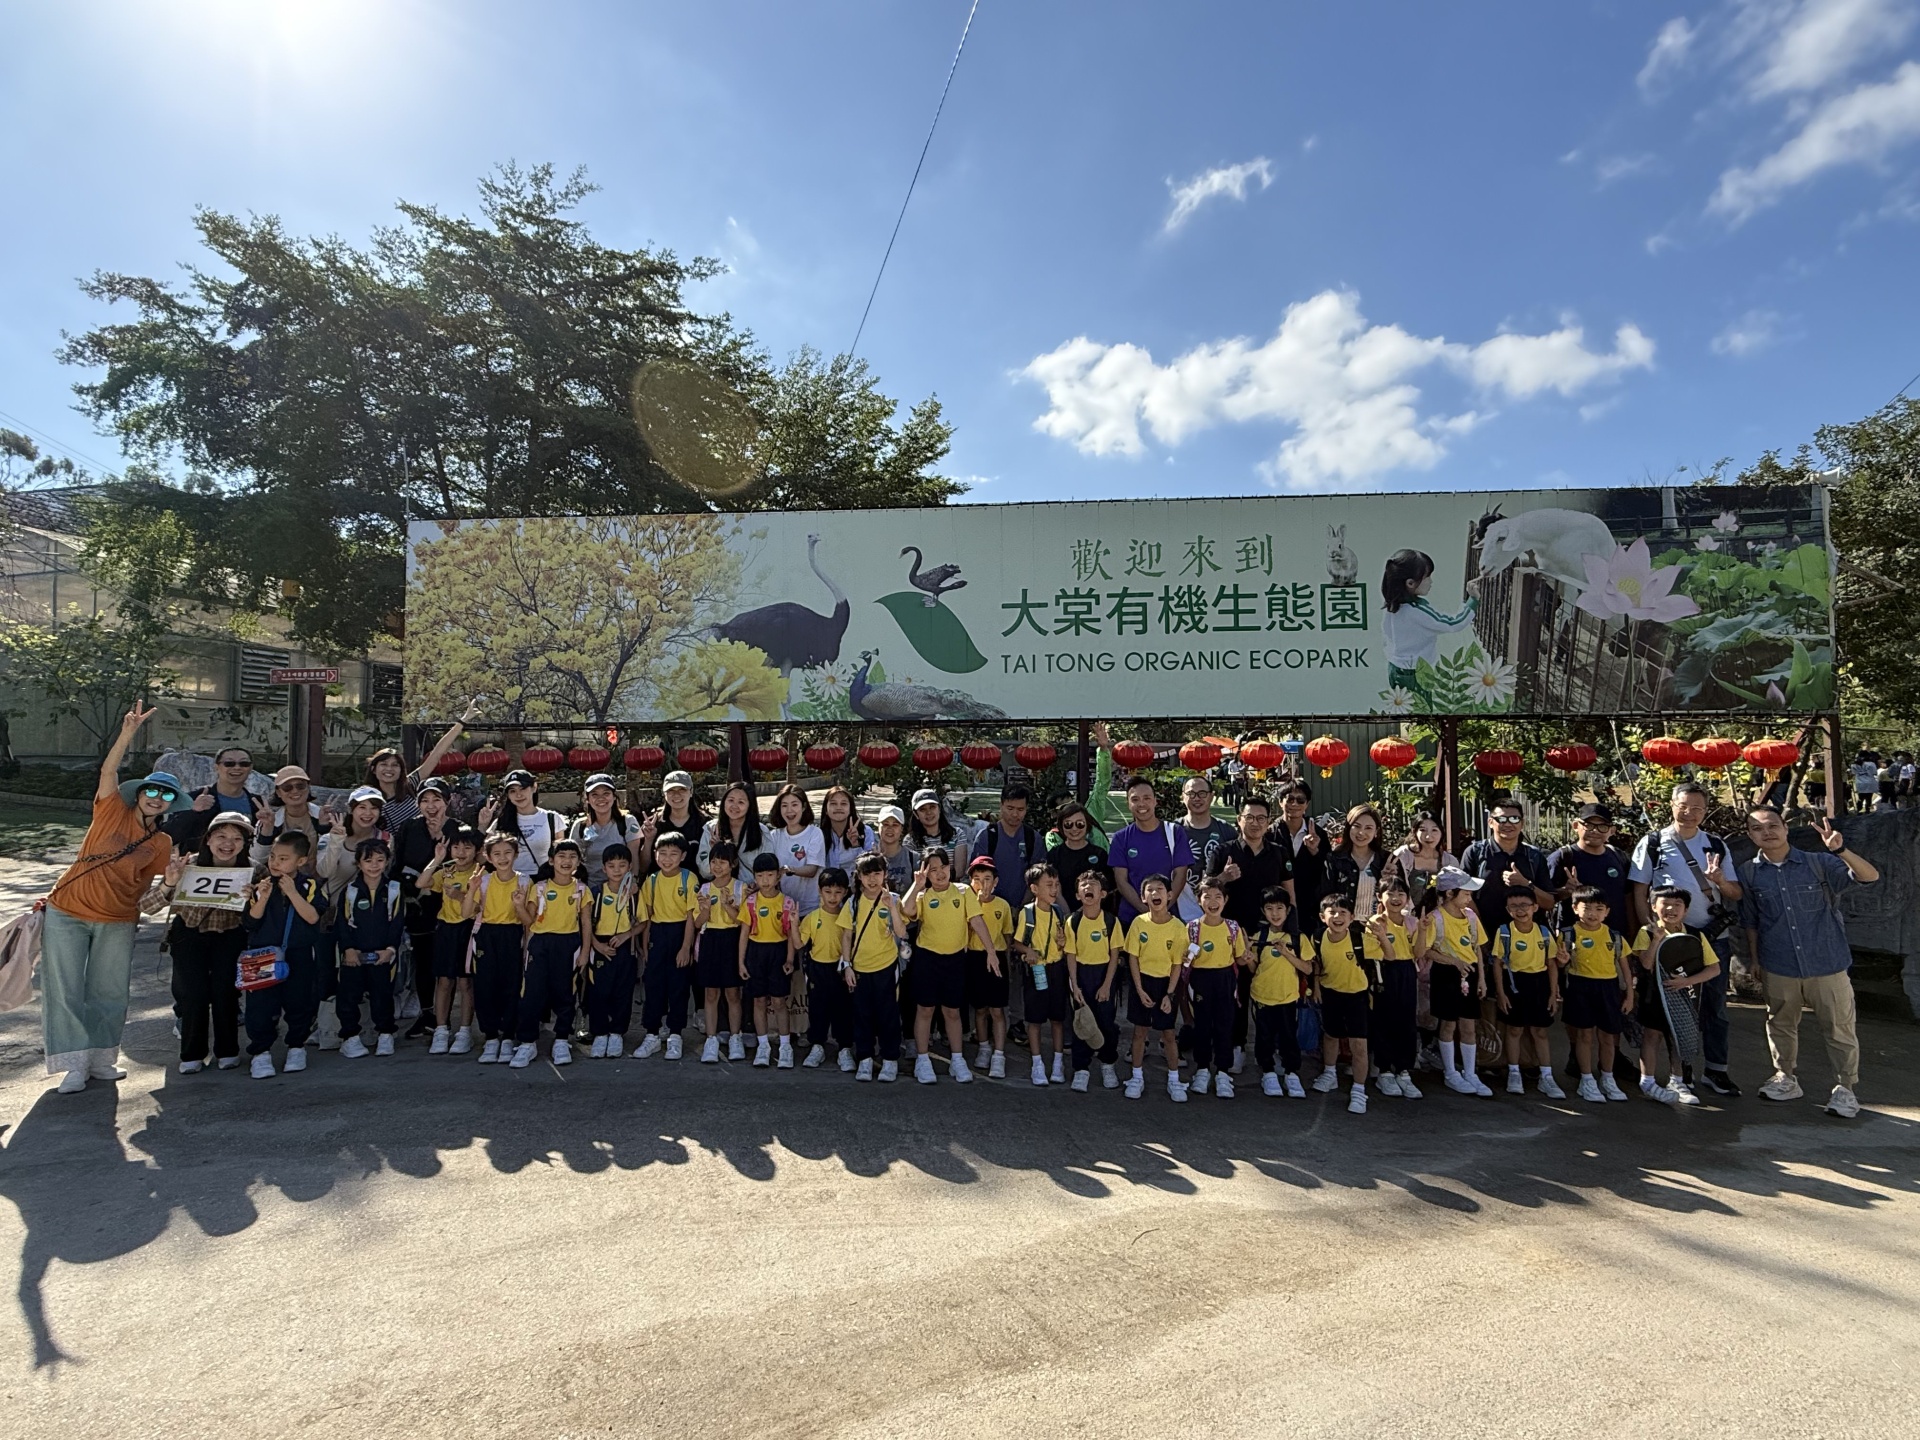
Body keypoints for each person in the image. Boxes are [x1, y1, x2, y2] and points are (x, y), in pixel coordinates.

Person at [40, 706, 182, 1092]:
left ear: (172, 803)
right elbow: (107, 772)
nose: (157, 797)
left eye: (166, 794)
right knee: (66, 989)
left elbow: (150, 897)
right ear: (140, 793)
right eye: (152, 790)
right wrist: (127, 734)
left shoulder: (162, 842)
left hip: (118, 919)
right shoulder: (112, 810)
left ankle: (102, 1059)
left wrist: (170, 884)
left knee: (110, 990)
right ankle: (73, 1064)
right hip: (67, 911)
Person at [1738, 806, 1879, 1118]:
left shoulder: (1819, 862)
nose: (1767, 832)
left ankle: (1845, 1089)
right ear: (1749, 835)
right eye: (1757, 828)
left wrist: (1840, 850)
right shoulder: (1749, 872)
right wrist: (1755, 960)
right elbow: (1751, 921)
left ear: (1786, 828)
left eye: (1773, 825)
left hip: (1827, 962)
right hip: (1779, 963)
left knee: (1839, 1029)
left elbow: (1870, 876)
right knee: (1780, 1024)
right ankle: (1785, 1078)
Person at [1629, 782, 1744, 1097]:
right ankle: (1681, 1071)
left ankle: (1716, 1070)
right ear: (1671, 805)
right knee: (1671, 1006)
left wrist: (1719, 880)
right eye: (1683, 806)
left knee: (1714, 1006)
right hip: (1667, 942)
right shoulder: (1654, 842)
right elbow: (1639, 890)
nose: (1689, 813)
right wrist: (1650, 930)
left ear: (1706, 811)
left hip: (1710, 936)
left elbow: (1735, 892)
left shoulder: (1715, 845)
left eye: (1697, 808)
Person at [145, 812, 255, 1073]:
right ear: (208, 839)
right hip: (189, 935)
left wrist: (254, 899)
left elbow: (260, 915)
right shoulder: (187, 865)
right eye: (221, 836)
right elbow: (147, 906)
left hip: (230, 936)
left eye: (236, 838)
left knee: (226, 993)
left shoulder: (254, 870)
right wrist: (169, 883)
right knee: (193, 994)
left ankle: (228, 1050)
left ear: (244, 843)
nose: (228, 844)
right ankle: (192, 1054)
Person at [901, 847, 995, 1085]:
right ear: (925, 873)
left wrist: (991, 951)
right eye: (933, 870)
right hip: (927, 959)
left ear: (949, 867)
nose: (940, 873)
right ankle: (923, 1060)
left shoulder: (963, 891)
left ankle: (957, 1059)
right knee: (925, 1010)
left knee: (952, 1011)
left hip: (955, 960)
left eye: (943, 867)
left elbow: (976, 920)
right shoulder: (923, 895)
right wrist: (917, 886)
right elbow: (906, 910)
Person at [242, 831, 325, 1079]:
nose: (275, 863)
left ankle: (296, 1046)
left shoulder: (309, 885)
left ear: (301, 861)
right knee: (260, 1005)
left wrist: (292, 893)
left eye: (283, 858)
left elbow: (313, 917)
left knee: (299, 1001)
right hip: (262, 954)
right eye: (273, 857)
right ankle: (260, 1052)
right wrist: (262, 898)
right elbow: (250, 922)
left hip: (297, 953)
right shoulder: (261, 885)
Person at [1631, 885, 1719, 1106]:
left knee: (1678, 1036)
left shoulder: (1696, 935)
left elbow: (1714, 968)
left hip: (1685, 996)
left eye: (1677, 904)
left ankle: (1677, 1081)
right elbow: (1646, 963)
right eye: (1665, 904)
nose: (1671, 909)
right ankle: (1648, 1081)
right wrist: (1656, 939)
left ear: (1686, 910)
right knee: (1652, 1036)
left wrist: (1686, 982)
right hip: (1653, 994)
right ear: (1653, 907)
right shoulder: (1646, 932)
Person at [510, 838, 591, 1069]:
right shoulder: (539, 888)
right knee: (532, 993)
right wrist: (519, 905)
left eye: (572, 857)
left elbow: (586, 923)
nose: (567, 861)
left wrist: (585, 952)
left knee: (565, 993)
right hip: (540, 943)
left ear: (579, 862)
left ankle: (562, 1040)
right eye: (561, 856)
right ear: (552, 860)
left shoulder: (581, 890)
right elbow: (528, 921)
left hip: (569, 944)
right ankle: (527, 1042)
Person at [1418, 868, 1493, 1097]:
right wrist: (1453, 961)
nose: (1470, 898)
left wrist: (1482, 979)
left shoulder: (1470, 916)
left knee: (1469, 1025)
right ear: (1450, 893)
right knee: (1448, 1024)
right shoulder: (1435, 918)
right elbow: (1425, 950)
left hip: (1469, 972)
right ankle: (1450, 1072)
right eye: (1466, 893)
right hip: (1446, 974)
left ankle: (1470, 1073)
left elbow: (1477, 948)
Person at [392, 777, 458, 1036]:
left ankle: (445, 1018)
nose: (431, 806)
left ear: (447, 802)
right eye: (425, 800)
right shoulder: (409, 827)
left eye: (436, 799)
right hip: (417, 906)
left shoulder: (457, 829)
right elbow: (397, 864)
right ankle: (427, 1014)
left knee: (447, 964)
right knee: (423, 961)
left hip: (450, 905)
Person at [1489, 888, 1565, 1099]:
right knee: (1514, 1030)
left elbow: (1552, 964)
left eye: (1524, 905)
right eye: (1514, 906)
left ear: (1535, 907)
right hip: (1514, 983)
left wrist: (1553, 993)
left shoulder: (1543, 932)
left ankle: (1546, 1076)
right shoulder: (1504, 932)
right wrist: (1501, 993)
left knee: (1540, 1031)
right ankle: (1514, 1073)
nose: (1520, 910)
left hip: (1539, 984)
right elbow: (1497, 964)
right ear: (1508, 910)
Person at [334, 838, 407, 1059]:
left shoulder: (394, 890)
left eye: (379, 860)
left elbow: (397, 923)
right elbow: (342, 923)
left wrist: (390, 950)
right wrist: (348, 949)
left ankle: (385, 1033)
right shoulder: (350, 891)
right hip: (353, 955)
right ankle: (350, 1037)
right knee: (348, 996)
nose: (374, 865)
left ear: (387, 861)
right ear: (358, 863)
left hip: (383, 955)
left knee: (382, 995)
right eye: (368, 860)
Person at [1560, 886, 1633, 1104]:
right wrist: (1562, 961)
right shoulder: (1567, 934)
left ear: (1607, 912)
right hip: (1579, 987)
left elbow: (1626, 969)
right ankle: (1586, 1079)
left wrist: (1630, 995)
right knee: (1584, 1035)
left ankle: (1608, 1078)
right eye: (1587, 908)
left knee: (1608, 1036)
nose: (1593, 914)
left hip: (1608, 988)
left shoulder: (1614, 936)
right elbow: (1559, 963)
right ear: (1575, 908)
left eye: (1599, 909)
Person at [361, 699, 480, 829]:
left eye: (395, 765)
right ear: (373, 769)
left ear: (401, 769)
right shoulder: (367, 798)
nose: (389, 769)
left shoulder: (410, 785)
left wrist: (462, 721)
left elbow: (437, 753)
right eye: (384, 764)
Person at [843, 852, 910, 1082]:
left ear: (885, 875)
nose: (872, 879)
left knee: (888, 1015)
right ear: (859, 876)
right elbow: (846, 935)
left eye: (877, 873)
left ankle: (890, 1059)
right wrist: (847, 966)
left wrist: (891, 907)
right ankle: (865, 1059)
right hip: (859, 969)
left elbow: (902, 932)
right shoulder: (853, 902)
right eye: (867, 874)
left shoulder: (893, 899)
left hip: (886, 967)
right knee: (862, 1016)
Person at [464, 831, 529, 1064]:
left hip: (512, 935)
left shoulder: (524, 881)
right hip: (487, 935)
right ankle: (491, 1037)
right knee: (485, 986)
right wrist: (471, 889)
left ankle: (508, 1036)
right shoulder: (483, 881)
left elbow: (528, 920)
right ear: (488, 857)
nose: (503, 858)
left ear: (516, 854)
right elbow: (466, 913)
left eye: (508, 853)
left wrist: (519, 906)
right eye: (497, 854)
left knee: (512, 986)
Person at [416, 824, 481, 1055]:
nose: (461, 852)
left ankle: (465, 1032)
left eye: (467, 847)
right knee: (444, 981)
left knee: (465, 982)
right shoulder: (446, 870)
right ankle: (441, 1030)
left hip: (469, 929)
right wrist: (437, 858)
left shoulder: (481, 874)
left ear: (477, 850)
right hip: (446, 929)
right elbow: (421, 883)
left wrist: (461, 895)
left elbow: (479, 908)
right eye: (456, 847)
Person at [1123, 875, 1188, 1102]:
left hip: (1166, 984)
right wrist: (1139, 990)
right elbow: (1133, 958)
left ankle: (1174, 1079)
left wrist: (1169, 994)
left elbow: (1177, 964)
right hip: (1142, 982)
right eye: (1149, 890)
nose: (1155, 893)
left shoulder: (1178, 927)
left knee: (1168, 1034)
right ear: (1143, 897)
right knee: (1139, 1032)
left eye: (1160, 889)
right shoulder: (1138, 923)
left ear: (1169, 895)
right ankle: (1136, 1077)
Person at [1381, 547, 1476, 701]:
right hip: (1415, 673)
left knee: (1404, 707)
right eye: (1427, 577)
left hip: (1395, 668)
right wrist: (1473, 601)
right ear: (1410, 583)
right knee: (1423, 708)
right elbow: (1453, 623)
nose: (1431, 581)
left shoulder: (1392, 605)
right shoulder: (1417, 612)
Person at [1308, 892, 1372, 1114]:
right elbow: (1316, 963)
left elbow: (1389, 955)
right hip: (1330, 993)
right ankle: (1329, 1073)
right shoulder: (1317, 937)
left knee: (1359, 1045)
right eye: (1332, 912)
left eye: (1343, 912)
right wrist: (1316, 986)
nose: (1337, 917)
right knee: (1330, 1035)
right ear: (1322, 917)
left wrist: (1382, 936)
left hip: (1357, 996)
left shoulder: (1360, 939)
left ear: (1352, 917)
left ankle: (1359, 1089)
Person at [1183, 877, 1247, 1099]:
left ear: (1225, 900)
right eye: (1207, 897)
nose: (1213, 902)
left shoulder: (1232, 927)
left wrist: (1248, 955)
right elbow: (1185, 961)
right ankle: (1202, 1070)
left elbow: (1240, 958)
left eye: (1218, 897)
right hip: (1201, 979)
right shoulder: (1192, 928)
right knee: (1202, 1025)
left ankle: (1222, 1072)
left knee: (1225, 1025)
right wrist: (1188, 956)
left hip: (1225, 979)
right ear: (1198, 900)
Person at [637, 831, 699, 1060]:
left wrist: (686, 947)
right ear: (655, 854)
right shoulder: (651, 881)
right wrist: (645, 947)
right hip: (657, 935)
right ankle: (652, 1033)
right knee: (654, 986)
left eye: (673, 854)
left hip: (680, 933)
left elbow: (691, 917)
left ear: (683, 856)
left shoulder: (688, 878)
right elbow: (647, 917)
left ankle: (675, 1034)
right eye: (662, 853)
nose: (667, 858)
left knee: (678, 986)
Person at [1459, 797, 1558, 937]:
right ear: (1490, 822)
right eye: (1501, 819)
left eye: (1514, 819)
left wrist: (1525, 884)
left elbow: (1549, 903)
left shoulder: (1534, 856)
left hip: (1529, 938)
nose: (1508, 824)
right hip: (1486, 934)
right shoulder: (1475, 852)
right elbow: (1463, 897)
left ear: (1522, 823)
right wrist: (1480, 935)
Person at [1247, 888, 1310, 1097]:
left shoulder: (1298, 938)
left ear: (1288, 909)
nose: (1275, 913)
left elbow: (1308, 968)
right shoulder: (1260, 936)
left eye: (1280, 908)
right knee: (1264, 1037)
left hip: (1288, 997)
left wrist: (1286, 953)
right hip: (1262, 996)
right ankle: (1268, 1072)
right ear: (1263, 911)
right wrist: (1248, 958)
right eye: (1269, 908)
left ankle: (1291, 1073)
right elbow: (1254, 969)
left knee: (1288, 1036)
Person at [1064, 867, 1121, 1091]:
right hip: (1081, 975)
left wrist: (1106, 985)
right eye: (1084, 886)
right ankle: (1081, 1069)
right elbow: (1071, 955)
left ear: (1103, 894)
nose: (1088, 888)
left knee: (1106, 1022)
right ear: (1078, 895)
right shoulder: (1073, 921)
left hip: (1104, 975)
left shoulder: (1111, 921)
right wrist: (1075, 985)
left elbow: (1114, 956)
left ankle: (1108, 1063)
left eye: (1094, 885)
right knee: (1081, 1022)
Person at [738, 853, 797, 1068]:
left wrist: (789, 959)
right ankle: (763, 1046)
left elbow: (790, 934)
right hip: (756, 953)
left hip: (778, 952)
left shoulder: (787, 902)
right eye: (760, 875)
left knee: (779, 1001)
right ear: (754, 877)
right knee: (759, 1000)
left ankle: (785, 1046)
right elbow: (744, 933)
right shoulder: (750, 902)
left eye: (770, 875)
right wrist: (741, 962)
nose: (765, 880)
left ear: (778, 876)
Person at [1364, 878, 1421, 1099]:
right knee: (1384, 1020)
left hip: (1407, 971)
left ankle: (1404, 1070)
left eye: (1401, 894)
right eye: (1390, 893)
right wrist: (1381, 934)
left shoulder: (1412, 922)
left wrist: (1424, 929)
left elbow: (1419, 953)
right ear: (1380, 897)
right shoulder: (1375, 922)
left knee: (1407, 1021)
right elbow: (1378, 954)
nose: (1396, 898)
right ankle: (1385, 1071)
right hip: (1384, 971)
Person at [1111, 777, 1196, 926]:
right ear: (1128, 804)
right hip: (1131, 919)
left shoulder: (1174, 832)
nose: (1141, 804)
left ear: (1155, 801)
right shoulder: (1121, 838)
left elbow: (1180, 875)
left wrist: (1161, 910)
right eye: (1135, 799)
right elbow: (1121, 881)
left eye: (1147, 798)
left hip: (1169, 917)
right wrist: (1146, 912)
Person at [1013, 864, 1069, 1086]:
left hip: (1056, 969)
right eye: (1049, 885)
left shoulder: (1058, 913)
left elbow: (1062, 943)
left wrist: (1062, 943)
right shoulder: (1027, 913)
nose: (1054, 890)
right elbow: (1017, 943)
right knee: (1034, 1019)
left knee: (1057, 1019)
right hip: (1036, 970)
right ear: (1034, 889)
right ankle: (1037, 1064)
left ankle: (1057, 1063)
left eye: (1056, 885)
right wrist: (1028, 951)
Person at [584, 842, 642, 1057]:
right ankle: (600, 1033)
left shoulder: (635, 894)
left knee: (623, 991)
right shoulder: (596, 893)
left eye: (622, 865)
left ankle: (617, 1032)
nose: (617, 870)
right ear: (603, 868)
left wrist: (627, 935)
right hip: (600, 945)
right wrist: (597, 945)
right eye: (611, 866)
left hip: (626, 947)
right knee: (598, 992)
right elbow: (586, 924)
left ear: (629, 867)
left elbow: (643, 922)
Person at [695, 842, 747, 1063]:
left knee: (733, 993)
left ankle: (735, 1037)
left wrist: (727, 906)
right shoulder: (705, 889)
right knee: (710, 993)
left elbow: (743, 921)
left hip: (732, 940)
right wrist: (705, 910)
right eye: (713, 861)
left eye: (722, 862)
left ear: (733, 864)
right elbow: (697, 923)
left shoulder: (741, 888)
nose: (717, 866)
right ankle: (711, 1039)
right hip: (710, 939)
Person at [799, 866, 856, 1072]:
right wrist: (792, 922)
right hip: (817, 969)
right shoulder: (812, 917)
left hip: (841, 969)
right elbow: (799, 943)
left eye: (838, 892)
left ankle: (844, 1048)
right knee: (818, 1009)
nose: (833, 897)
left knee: (843, 1009)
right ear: (819, 891)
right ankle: (817, 1045)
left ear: (846, 892)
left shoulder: (848, 917)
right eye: (828, 891)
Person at [164, 745, 269, 851]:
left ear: (250, 768)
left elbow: (265, 845)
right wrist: (193, 811)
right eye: (229, 763)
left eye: (244, 763)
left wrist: (268, 825)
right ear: (216, 767)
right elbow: (169, 836)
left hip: (245, 860)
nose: (237, 767)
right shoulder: (193, 798)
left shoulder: (258, 803)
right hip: (200, 860)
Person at [1546, 804, 1629, 934]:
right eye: (1588, 825)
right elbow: (1544, 899)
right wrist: (1565, 891)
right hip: (1573, 939)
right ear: (1576, 826)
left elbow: (1629, 897)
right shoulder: (1563, 858)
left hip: (1615, 938)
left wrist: (1632, 934)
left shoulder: (1619, 857)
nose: (1595, 831)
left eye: (1602, 826)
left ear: (1611, 830)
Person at [965, 856, 1014, 1077]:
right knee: (980, 1008)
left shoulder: (1002, 905)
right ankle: (984, 1047)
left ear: (995, 882)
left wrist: (1007, 964)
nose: (981, 884)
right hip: (974, 957)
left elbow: (1007, 936)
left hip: (997, 958)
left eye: (986, 878)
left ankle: (999, 1054)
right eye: (976, 879)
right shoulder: (967, 903)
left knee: (997, 1009)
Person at [478, 769, 563, 879]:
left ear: (534, 787)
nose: (518, 795)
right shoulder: (501, 822)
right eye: (512, 791)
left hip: (543, 881)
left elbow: (562, 855)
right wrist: (483, 826)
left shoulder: (552, 818)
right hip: (510, 882)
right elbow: (481, 858)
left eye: (523, 788)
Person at [1174, 776, 1237, 920]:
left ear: (1211, 796)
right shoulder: (1172, 830)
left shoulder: (1227, 831)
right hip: (1180, 914)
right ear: (1183, 797)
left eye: (1202, 793)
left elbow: (1236, 872)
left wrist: (1226, 876)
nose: (1197, 798)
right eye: (1191, 794)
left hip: (1218, 913)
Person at [569, 774, 644, 887]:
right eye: (595, 794)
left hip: (620, 888)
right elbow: (572, 858)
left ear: (614, 797)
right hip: (588, 889)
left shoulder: (627, 822)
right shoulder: (580, 826)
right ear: (587, 799)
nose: (601, 798)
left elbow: (634, 857)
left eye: (606, 793)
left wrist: (633, 882)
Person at [1276, 783, 1329, 933]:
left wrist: (1315, 852)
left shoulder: (1319, 834)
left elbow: (1327, 871)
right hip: (1276, 907)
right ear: (1280, 802)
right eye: (1290, 799)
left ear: (1307, 804)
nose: (1295, 804)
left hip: (1310, 907)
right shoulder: (1269, 833)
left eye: (1300, 800)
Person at [1322, 804, 1388, 921]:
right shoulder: (1335, 859)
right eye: (1356, 826)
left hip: (1378, 925)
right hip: (1343, 925)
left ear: (1376, 831)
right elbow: (1326, 896)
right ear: (1348, 828)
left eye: (1368, 828)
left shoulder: (1386, 860)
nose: (1361, 832)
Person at [984, 786, 1044, 915]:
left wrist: (1022, 908)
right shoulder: (987, 836)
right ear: (1001, 805)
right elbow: (978, 876)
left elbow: (1038, 877)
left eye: (1020, 809)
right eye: (1010, 808)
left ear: (1026, 809)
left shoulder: (1033, 838)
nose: (1015, 814)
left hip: (1024, 911)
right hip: (990, 909)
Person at [770, 783, 827, 917]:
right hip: (782, 909)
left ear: (804, 806)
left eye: (794, 804)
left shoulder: (815, 833)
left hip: (810, 909)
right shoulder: (774, 836)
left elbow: (812, 870)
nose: (789, 810)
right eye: (784, 805)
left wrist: (789, 870)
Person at [696, 781, 771, 881]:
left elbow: (769, 867)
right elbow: (704, 872)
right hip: (722, 888)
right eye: (731, 800)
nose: (734, 806)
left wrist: (758, 884)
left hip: (752, 889)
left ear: (750, 805)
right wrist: (716, 851)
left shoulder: (761, 831)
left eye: (741, 802)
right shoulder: (711, 829)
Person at [1384, 811, 1456, 910]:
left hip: (1439, 916)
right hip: (1405, 914)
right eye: (1422, 830)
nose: (1428, 836)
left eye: (1434, 830)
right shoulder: (1403, 855)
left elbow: (1456, 894)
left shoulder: (1449, 861)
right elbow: (1389, 885)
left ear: (1441, 832)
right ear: (1414, 831)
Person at [640, 771, 707, 875]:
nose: (676, 794)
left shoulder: (706, 824)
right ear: (664, 793)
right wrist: (648, 840)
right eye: (671, 790)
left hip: (697, 884)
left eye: (682, 789)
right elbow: (643, 867)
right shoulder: (653, 824)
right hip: (660, 883)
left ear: (691, 791)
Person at [1043, 801, 1110, 903]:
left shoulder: (1100, 854)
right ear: (1061, 826)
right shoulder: (1054, 855)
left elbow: (1107, 889)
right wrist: (1065, 911)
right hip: (1061, 910)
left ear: (1087, 825)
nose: (1074, 829)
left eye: (1080, 824)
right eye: (1068, 824)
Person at [908, 787, 971, 870]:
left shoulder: (957, 834)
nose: (928, 812)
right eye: (922, 809)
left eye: (932, 807)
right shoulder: (910, 841)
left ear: (939, 809)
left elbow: (959, 871)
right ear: (916, 814)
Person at [819, 786, 876, 872]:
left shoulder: (865, 832)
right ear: (825, 809)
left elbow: (871, 868)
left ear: (850, 809)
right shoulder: (818, 834)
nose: (838, 808)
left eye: (843, 804)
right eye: (833, 803)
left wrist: (856, 845)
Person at [872, 805, 920, 895]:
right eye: (885, 824)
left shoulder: (913, 858)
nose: (890, 828)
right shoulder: (869, 858)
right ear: (878, 827)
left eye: (895, 825)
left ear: (901, 829)